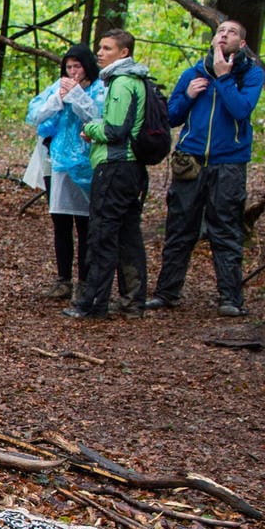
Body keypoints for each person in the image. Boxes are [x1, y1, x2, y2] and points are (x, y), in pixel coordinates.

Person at [150, 19, 264, 317]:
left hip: (229, 164)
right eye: (220, 31)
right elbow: (170, 118)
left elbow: (241, 109)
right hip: (190, 161)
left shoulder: (251, 75)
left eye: (232, 33)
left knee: (225, 230)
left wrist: (224, 78)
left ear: (241, 43)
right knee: (179, 229)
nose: (224, 35)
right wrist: (187, 96)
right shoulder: (193, 73)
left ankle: (230, 299)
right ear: (214, 39)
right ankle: (166, 293)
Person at [66, 29, 154, 319]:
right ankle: (132, 301)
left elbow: (115, 130)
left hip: (115, 168)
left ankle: (93, 303)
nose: (100, 53)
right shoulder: (136, 81)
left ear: (124, 53)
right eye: (100, 48)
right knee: (129, 235)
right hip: (129, 169)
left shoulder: (122, 83)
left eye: (107, 48)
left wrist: (90, 128)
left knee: (102, 235)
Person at [23, 43, 104, 299]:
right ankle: (63, 278)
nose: (72, 71)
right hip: (58, 162)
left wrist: (77, 95)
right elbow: (36, 115)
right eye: (68, 67)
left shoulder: (100, 89)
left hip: (87, 163)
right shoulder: (57, 87)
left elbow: (97, 117)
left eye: (77, 66)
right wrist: (58, 97)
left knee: (84, 224)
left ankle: (84, 280)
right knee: (60, 221)